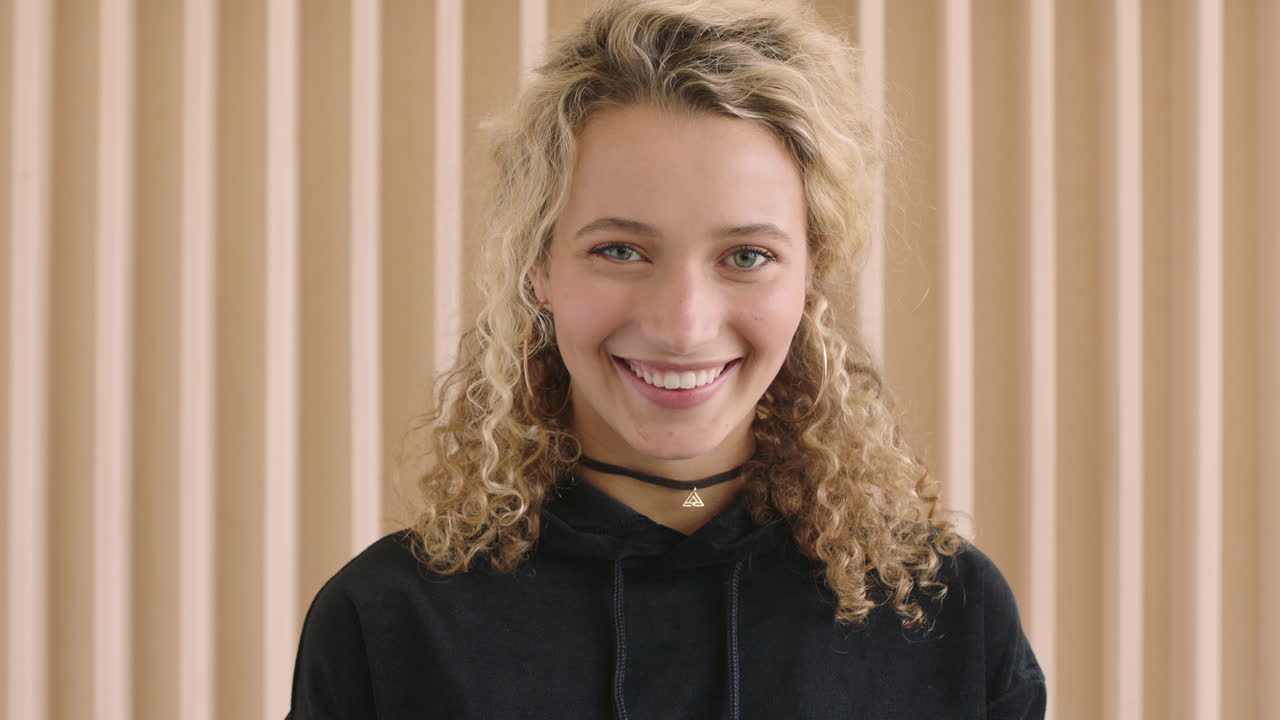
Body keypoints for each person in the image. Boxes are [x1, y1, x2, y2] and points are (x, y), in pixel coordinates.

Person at [286, 0, 1046, 718]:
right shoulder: (385, 624)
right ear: (538, 264)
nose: (683, 326)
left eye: (746, 256)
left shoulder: (952, 617)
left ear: (810, 270)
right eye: (621, 250)